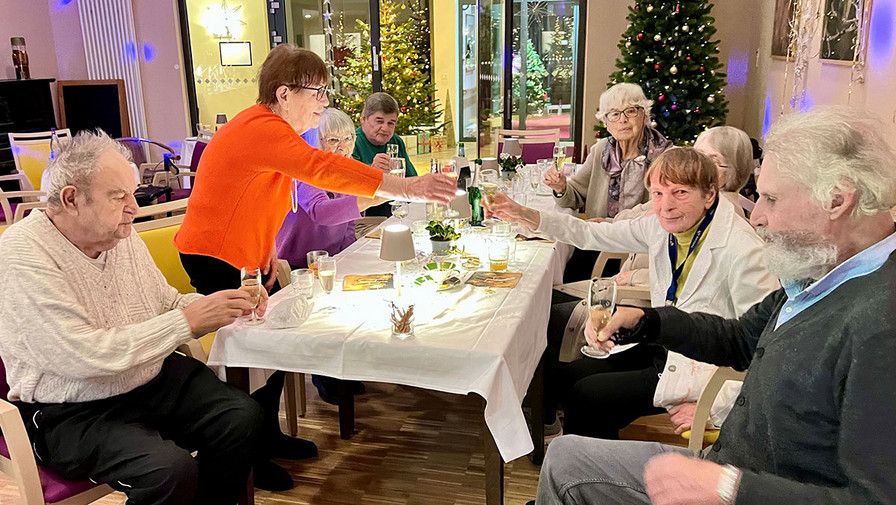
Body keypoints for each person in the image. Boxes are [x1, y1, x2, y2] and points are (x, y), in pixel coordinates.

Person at [537, 106, 896, 505]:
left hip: (742, 488)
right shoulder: (822, 271)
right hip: (729, 464)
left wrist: (728, 487)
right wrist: (647, 321)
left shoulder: (880, 321)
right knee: (564, 456)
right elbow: (740, 339)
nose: (757, 217)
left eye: (771, 199)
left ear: (837, 200)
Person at [175, 44, 456, 491]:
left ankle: (267, 435)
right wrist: (406, 187)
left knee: (273, 344)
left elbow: (257, 198)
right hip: (215, 254)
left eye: (326, 91)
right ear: (284, 93)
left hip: (244, 253)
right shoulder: (262, 128)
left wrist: (265, 250)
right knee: (251, 351)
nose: (324, 102)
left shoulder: (273, 129)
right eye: (317, 92)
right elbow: (320, 170)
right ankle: (248, 457)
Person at [0, 131, 265, 504]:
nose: (134, 208)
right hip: (71, 408)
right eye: (118, 196)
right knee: (169, 471)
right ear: (71, 199)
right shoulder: (23, 252)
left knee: (242, 417)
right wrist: (187, 321)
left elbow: (166, 303)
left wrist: (224, 304)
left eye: (133, 193)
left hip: (148, 380)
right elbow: (81, 356)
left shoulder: (118, 235)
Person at [486, 147, 778, 442]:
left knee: (588, 397)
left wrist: (716, 407)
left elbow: (766, 345)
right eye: (658, 193)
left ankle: (587, 467)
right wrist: (524, 214)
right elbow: (592, 234)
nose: (666, 206)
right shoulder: (662, 227)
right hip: (664, 345)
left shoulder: (744, 250)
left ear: (709, 195)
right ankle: (575, 459)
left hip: (702, 367)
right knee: (566, 377)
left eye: (680, 193)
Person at [276, 108, 383, 404]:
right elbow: (322, 213)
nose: (342, 146)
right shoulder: (305, 173)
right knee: (323, 317)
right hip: (296, 263)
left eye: (347, 138)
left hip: (329, 257)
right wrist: (372, 196)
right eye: (332, 139)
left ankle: (343, 367)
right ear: (315, 141)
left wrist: (349, 258)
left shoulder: (345, 169)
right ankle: (324, 374)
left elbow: (348, 223)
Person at [544, 83, 673, 281]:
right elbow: (575, 195)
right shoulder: (601, 150)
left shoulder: (665, 156)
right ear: (606, 122)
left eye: (631, 111)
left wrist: (611, 224)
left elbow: (660, 211)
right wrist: (561, 188)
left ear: (644, 115)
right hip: (597, 241)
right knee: (556, 277)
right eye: (614, 114)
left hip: (638, 250)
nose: (623, 120)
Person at [611, 125, 756, 287]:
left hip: (641, 293)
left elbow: (697, 276)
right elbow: (620, 221)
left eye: (713, 161)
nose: (702, 168)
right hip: (625, 285)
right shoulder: (679, 194)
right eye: (698, 157)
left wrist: (634, 276)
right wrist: (647, 216)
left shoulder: (721, 212)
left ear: (735, 170)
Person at [352, 92, 418, 216]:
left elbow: (411, 179)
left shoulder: (396, 141)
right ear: (363, 119)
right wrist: (372, 171)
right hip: (366, 217)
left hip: (396, 212)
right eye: (379, 121)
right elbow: (349, 188)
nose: (385, 128)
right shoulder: (351, 142)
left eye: (391, 123)